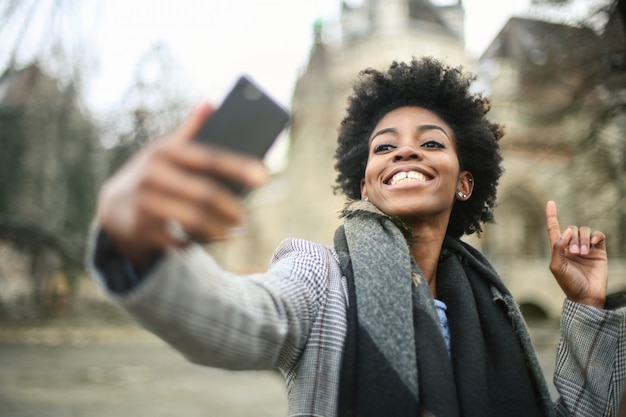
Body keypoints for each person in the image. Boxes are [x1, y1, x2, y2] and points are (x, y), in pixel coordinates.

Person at [87, 57, 626, 416]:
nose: (406, 152)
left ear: (465, 181)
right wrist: (139, 241)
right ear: (366, 183)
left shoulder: (493, 301)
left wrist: (586, 307)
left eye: (431, 142)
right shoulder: (320, 277)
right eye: (384, 147)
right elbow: (239, 318)